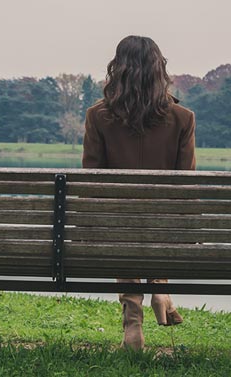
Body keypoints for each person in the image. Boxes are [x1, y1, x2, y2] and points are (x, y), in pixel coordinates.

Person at [81, 35, 196, 350]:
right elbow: (186, 188)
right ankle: (160, 288)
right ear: (160, 71)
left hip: (117, 229)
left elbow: (91, 184)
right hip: (164, 230)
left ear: (117, 70)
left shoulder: (98, 116)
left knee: (123, 224)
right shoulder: (183, 119)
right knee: (156, 221)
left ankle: (133, 322)